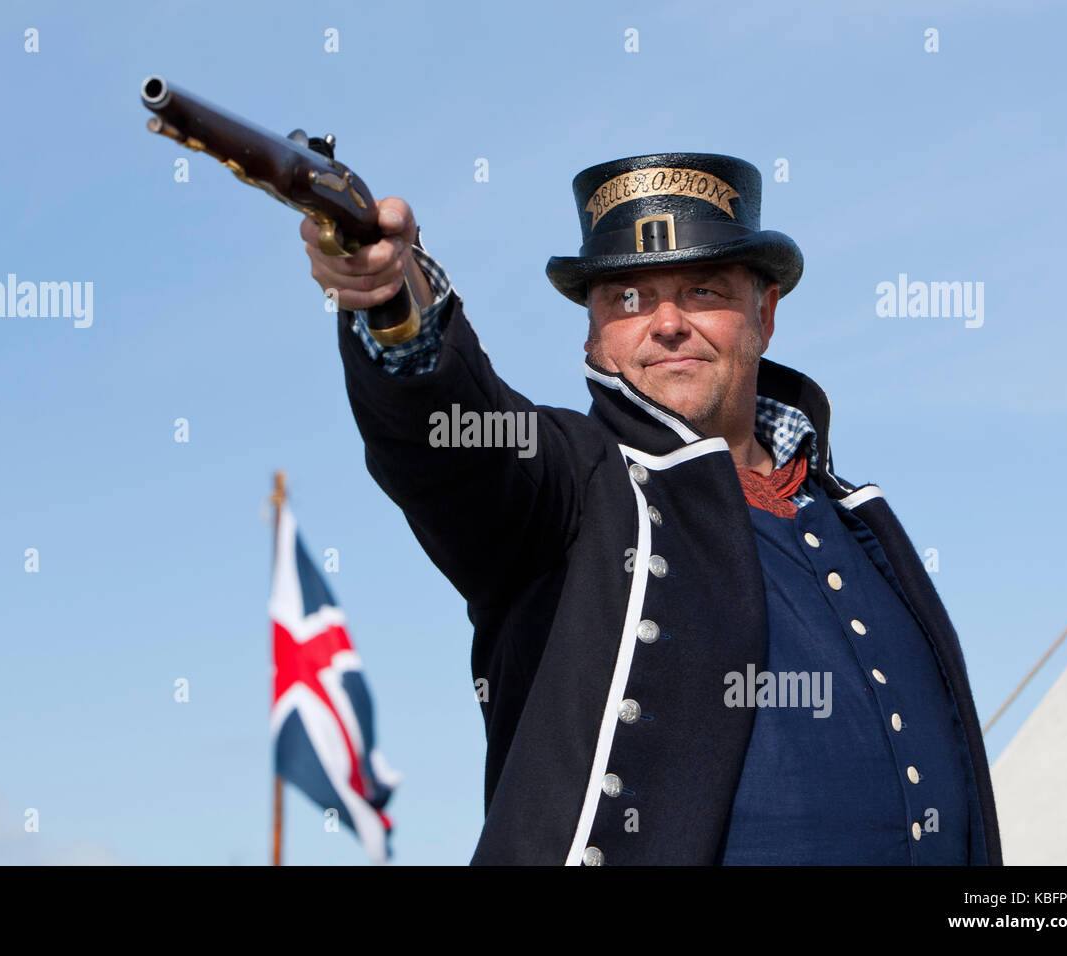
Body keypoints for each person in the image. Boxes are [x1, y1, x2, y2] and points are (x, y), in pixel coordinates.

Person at [300, 153, 1002, 866]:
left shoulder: (858, 521)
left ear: (764, 312)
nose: (666, 323)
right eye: (628, 298)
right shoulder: (570, 486)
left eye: (702, 289)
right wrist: (397, 300)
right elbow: (445, 435)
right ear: (594, 332)